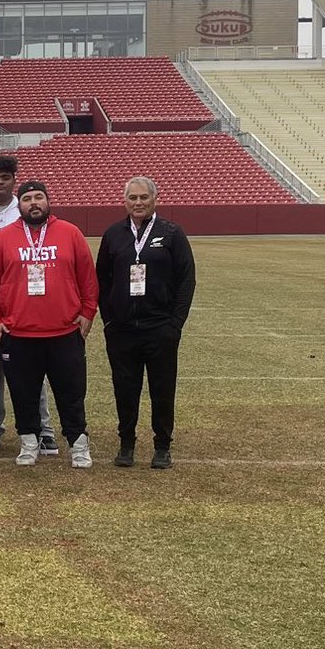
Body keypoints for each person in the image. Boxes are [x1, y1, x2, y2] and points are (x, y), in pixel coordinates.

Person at [0, 181, 99, 469]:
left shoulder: (70, 232)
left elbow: (87, 276)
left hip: (64, 330)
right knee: (24, 393)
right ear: (18, 204)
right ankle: (29, 441)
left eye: (38, 197)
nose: (33, 203)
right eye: (26, 198)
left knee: (71, 392)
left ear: (48, 201)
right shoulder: (4, 238)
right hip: (18, 332)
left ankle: (78, 443)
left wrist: (87, 312)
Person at [96, 176, 197, 470]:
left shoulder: (171, 233)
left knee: (162, 388)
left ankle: (162, 446)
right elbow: (102, 279)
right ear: (124, 201)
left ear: (154, 200)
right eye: (133, 198)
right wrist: (109, 319)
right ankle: (126, 444)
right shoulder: (113, 234)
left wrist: (175, 324)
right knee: (125, 388)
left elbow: (186, 279)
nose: (138, 203)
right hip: (122, 329)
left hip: (160, 328)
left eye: (143, 198)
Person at [0, 155, 58, 455]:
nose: (0, 182)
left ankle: (42, 427)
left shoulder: (29, 212)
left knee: (33, 369)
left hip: (25, 302)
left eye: (5, 177)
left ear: (14, 180)